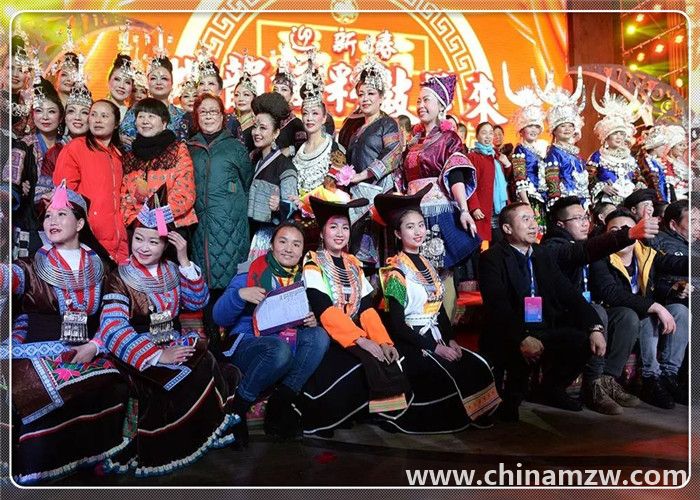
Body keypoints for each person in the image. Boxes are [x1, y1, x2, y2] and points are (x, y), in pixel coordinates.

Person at [98, 189, 240, 476]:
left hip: (172, 339)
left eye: (154, 241)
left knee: (206, 360)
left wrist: (185, 260)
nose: (144, 247)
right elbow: (112, 328)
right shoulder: (119, 276)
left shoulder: (173, 271)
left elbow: (197, 302)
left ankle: (198, 436)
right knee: (169, 379)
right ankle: (164, 447)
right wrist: (157, 355)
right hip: (138, 348)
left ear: (167, 244)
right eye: (139, 239)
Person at [2, 185, 128, 484]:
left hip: (86, 348)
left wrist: (95, 346)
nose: (52, 221)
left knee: (109, 381)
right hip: (34, 347)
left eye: (61, 214)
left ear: (80, 223)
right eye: (48, 216)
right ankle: (28, 467)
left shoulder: (103, 268)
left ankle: (87, 461)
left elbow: (113, 317)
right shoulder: (31, 265)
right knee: (23, 385)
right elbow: (9, 277)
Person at [376, 186, 500, 432]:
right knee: (445, 375)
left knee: (478, 365)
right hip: (412, 342)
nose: (418, 231)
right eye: (410, 227)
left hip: (437, 337)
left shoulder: (428, 266)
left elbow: (439, 310)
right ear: (398, 234)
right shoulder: (395, 273)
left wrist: (450, 339)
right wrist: (435, 348)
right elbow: (397, 325)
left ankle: (476, 412)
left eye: (420, 225)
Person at [478, 202, 606, 421]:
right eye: (525, 219)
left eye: (534, 219)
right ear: (507, 228)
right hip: (510, 330)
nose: (533, 225)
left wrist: (594, 326)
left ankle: (552, 388)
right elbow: (498, 306)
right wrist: (522, 338)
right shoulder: (492, 258)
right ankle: (510, 398)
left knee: (582, 340)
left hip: (542, 325)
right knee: (508, 415)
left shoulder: (541, 254)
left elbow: (568, 293)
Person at [300, 197, 410, 435]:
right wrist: (361, 340)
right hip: (328, 334)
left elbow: (367, 308)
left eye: (345, 227)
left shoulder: (353, 265)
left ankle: (383, 415)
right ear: (322, 233)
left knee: (388, 358)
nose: (340, 233)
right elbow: (325, 310)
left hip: (354, 331)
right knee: (362, 362)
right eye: (333, 227)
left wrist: (382, 340)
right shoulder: (313, 262)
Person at [213, 222, 330, 443]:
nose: (289, 249)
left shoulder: (304, 279)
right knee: (279, 348)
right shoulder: (250, 272)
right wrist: (240, 295)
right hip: (249, 342)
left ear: (302, 251)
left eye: (296, 244)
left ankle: (281, 402)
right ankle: (238, 408)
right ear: (271, 245)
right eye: (283, 241)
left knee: (319, 336)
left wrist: (311, 319)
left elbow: (307, 318)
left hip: (285, 340)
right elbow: (219, 317)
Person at [541, 196, 659, 414]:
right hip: (562, 315)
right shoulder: (553, 246)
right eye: (577, 218)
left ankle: (608, 379)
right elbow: (578, 253)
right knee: (596, 312)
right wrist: (629, 234)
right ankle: (592, 384)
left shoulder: (588, 243)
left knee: (626, 316)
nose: (584, 223)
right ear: (560, 224)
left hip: (586, 310)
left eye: (585, 217)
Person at [590, 208, 689, 409]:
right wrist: (654, 306)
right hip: (619, 316)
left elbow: (673, 263)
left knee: (680, 311)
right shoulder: (600, 257)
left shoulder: (645, 254)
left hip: (643, 312)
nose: (622, 234)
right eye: (615, 230)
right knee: (644, 316)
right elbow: (611, 293)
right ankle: (649, 379)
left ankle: (669, 375)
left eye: (627, 228)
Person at [188, 94, 253, 351]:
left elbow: (247, 183)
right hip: (199, 230)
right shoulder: (189, 148)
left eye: (213, 111)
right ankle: (212, 348)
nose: (208, 116)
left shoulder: (235, 147)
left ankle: (233, 347)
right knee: (203, 289)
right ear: (196, 116)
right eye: (203, 112)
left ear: (222, 116)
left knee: (230, 286)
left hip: (230, 229)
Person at [345, 52, 402, 267]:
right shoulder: (355, 129)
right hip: (356, 194)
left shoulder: (388, 123)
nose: (365, 98)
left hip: (378, 193)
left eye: (371, 93)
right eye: (361, 94)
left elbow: (394, 154)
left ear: (381, 97)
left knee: (378, 253)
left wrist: (364, 174)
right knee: (355, 251)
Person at [54, 99, 128, 263]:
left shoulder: (118, 156)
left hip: (119, 242)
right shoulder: (76, 148)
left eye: (104, 116)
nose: (97, 120)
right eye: (93, 114)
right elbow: (64, 197)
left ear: (116, 123)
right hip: (87, 240)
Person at [120, 98, 197, 232]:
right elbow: (124, 197)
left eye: (151, 116)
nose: (145, 121)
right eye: (141, 116)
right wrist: (138, 222)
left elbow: (185, 192)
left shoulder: (177, 150)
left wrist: (157, 220)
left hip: (174, 226)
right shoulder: (131, 156)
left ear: (164, 123)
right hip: (139, 229)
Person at [247, 92, 298, 259]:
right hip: (252, 234)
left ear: (276, 133)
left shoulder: (285, 166)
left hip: (271, 239)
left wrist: (279, 206)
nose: (256, 132)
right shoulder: (253, 160)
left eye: (263, 128)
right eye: (255, 127)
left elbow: (292, 206)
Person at [533, 67, 590, 209]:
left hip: (582, 201)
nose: (567, 129)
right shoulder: (554, 153)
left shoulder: (575, 153)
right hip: (565, 203)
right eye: (563, 126)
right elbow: (552, 181)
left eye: (570, 126)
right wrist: (557, 205)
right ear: (554, 130)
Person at [587, 81, 646, 205]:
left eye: (622, 134)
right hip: (607, 201)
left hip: (630, 201)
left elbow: (638, 178)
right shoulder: (598, 156)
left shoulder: (630, 158)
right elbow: (588, 178)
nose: (619, 137)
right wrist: (602, 187)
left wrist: (639, 185)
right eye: (615, 133)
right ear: (607, 137)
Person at [119, 54, 188, 151]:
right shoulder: (134, 112)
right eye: (153, 78)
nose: (158, 82)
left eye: (164, 78)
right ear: (147, 83)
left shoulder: (183, 116)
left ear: (172, 83)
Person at [505, 82, 547, 230]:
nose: (533, 130)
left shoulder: (541, 150)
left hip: (542, 196)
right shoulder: (520, 150)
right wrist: (526, 202)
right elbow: (519, 178)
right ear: (522, 130)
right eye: (530, 126)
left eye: (536, 126)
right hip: (529, 197)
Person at [467, 122, 511, 243]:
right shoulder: (472, 157)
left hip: (500, 207)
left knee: (500, 243)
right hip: (483, 207)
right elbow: (469, 184)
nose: (488, 136)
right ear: (477, 136)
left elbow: (506, 179)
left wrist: (507, 165)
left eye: (491, 133)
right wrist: (474, 207)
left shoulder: (497, 156)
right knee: (478, 243)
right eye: (484, 133)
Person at [651, 200, 692, 307]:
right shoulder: (657, 241)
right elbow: (653, 278)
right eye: (693, 221)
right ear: (673, 225)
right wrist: (674, 287)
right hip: (674, 304)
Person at [271, 54, 306, 156]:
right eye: (276, 89)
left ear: (291, 95)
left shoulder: (296, 124)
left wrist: (289, 150)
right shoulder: (266, 119)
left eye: (284, 89)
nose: (279, 93)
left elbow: (302, 148)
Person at [638, 125, 670, 203]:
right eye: (663, 146)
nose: (665, 149)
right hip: (655, 200)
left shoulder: (656, 162)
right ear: (655, 147)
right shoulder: (646, 162)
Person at [231, 58, 258, 152]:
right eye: (237, 95)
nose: (240, 99)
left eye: (246, 95)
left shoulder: (258, 125)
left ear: (254, 98)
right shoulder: (229, 122)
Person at [662, 124, 689, 201]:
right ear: (671, 147)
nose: (684, 148)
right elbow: (669, 191)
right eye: (680, 145)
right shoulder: (666, 164)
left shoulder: (682, 162)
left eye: (685, 145)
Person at [62, 76, 92, 142]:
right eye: (71, 111)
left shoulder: (99, 147)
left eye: (84, 112)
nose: (77, 117)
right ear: (65, 117)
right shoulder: (57, 148)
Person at [106, 54, 135, 121]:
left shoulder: (134, 116)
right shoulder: (96, 109)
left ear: (132, 87)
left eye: (127, 82)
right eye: (117, 79)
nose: (121, 86)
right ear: (109, 81)